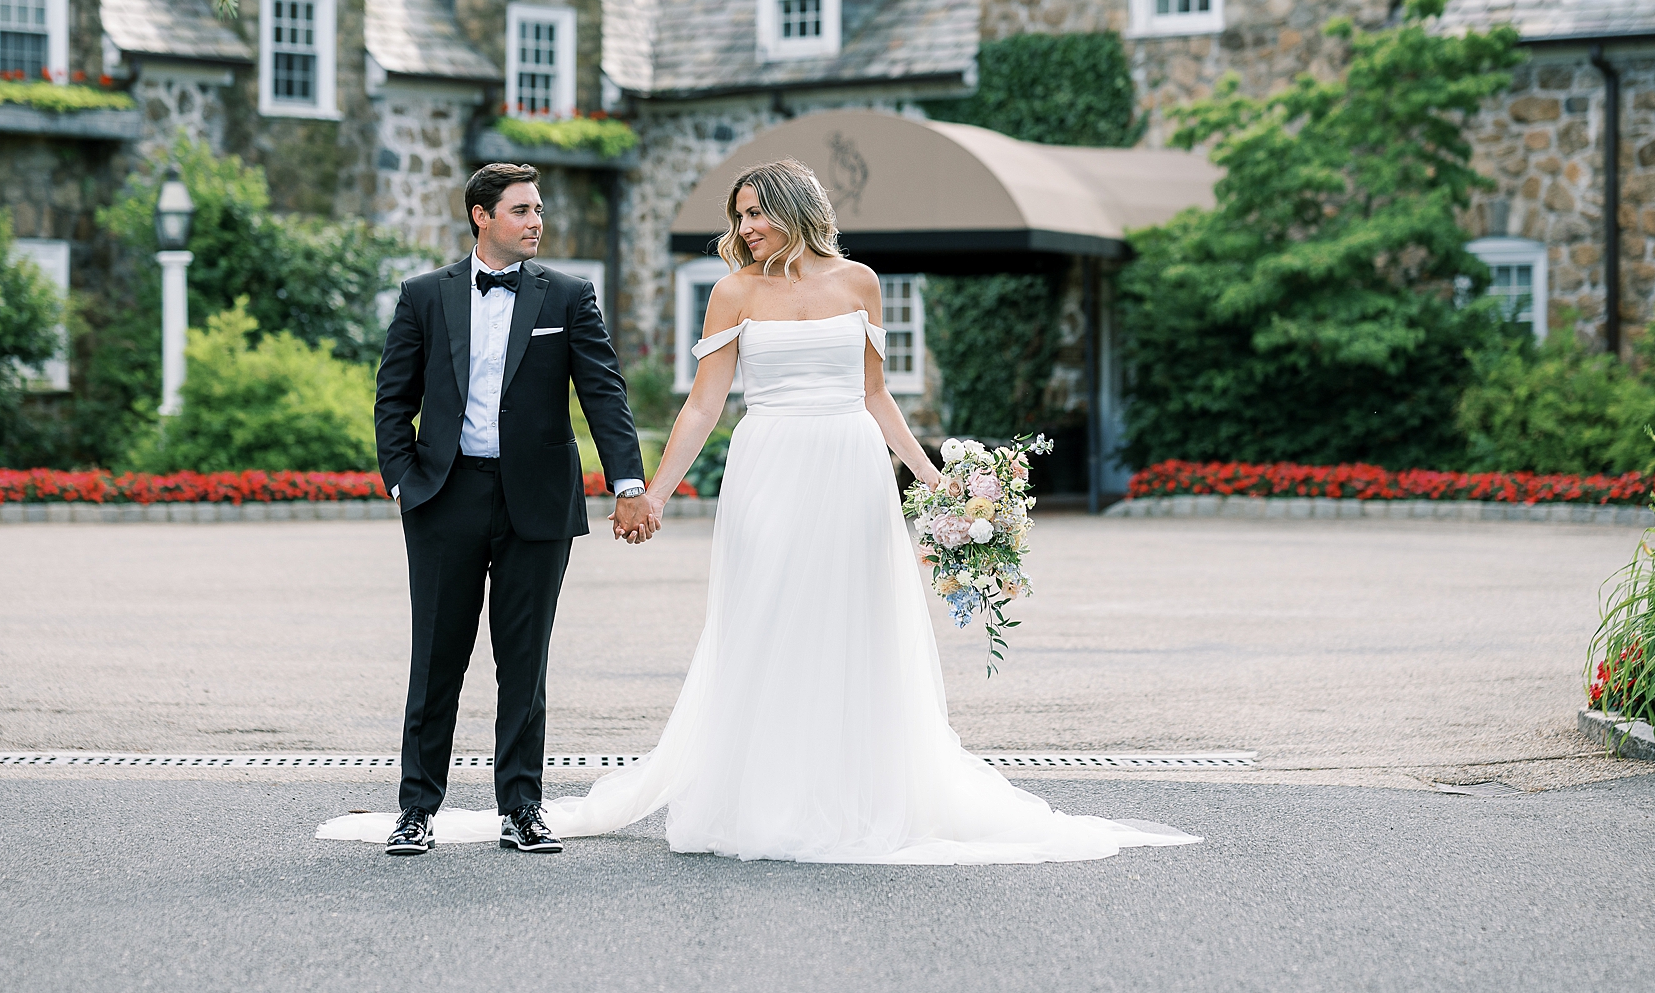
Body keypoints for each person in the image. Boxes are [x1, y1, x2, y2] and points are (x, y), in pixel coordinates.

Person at [334, 158, 1194, 864]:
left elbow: (876, 396)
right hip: (763, 467)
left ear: (795, 208)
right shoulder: (733, 291)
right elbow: (705, 405)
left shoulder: (860, 281)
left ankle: (825, 791)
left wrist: (935, 483)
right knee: (752, 625)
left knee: (846, 630)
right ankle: (425, 806)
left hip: (849, 471)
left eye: (757, 213)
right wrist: (655, 491)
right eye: (739, 215)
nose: (746, 228)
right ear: (482, 215)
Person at [371, 162, 656, 857]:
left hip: (538, 501)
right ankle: (416, 809)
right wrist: (405, 483)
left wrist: (627, 483)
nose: (537, 221)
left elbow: (605, 394)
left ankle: (522, 806)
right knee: (437, 658)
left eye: (538, 210)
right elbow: (392, 398)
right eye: (523, 210)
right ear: (481, 215)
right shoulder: (423, 296)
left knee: (524, 661)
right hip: (445, 496)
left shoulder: (567, 295)